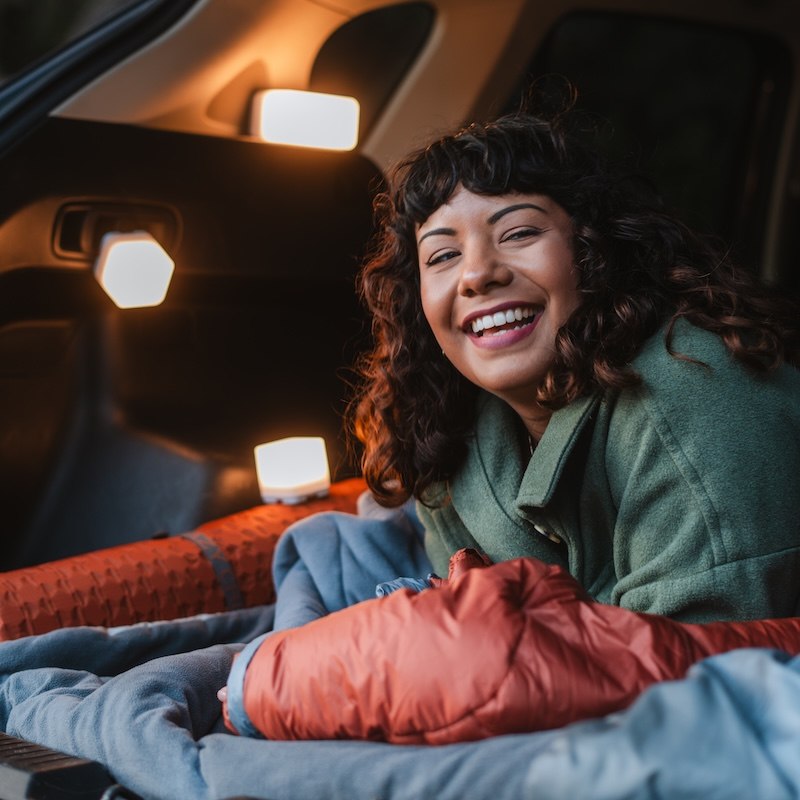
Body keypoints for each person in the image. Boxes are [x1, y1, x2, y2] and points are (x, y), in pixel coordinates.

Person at [348, 97, 800, 623]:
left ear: (595, 250)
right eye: (443, 256)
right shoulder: (443, 436)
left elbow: (700, 672)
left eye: (518, 233)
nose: (477, 274)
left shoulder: (694, 392)